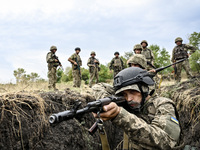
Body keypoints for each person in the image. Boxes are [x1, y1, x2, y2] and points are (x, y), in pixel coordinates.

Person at [93, 67, 181, 149]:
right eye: (124, 94)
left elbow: (167, 142)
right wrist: (110, 102)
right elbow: (98, 87)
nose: (129, 99)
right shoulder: (130, 103)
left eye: (133, 91)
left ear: (145, 88)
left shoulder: (163, 104)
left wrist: (121, 115)